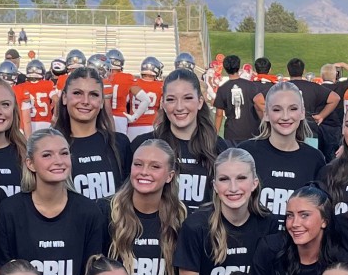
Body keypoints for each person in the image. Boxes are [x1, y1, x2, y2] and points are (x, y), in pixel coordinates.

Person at [0, 128, 108, 275]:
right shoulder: (9, 211)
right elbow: (1, 272)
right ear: (30, 163)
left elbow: (91, 274)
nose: (58, 160)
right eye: (47, 155)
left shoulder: (89, 212)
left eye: (64, 153)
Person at [174, 147, 274, 275]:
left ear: (254, 183)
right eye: (224, 179)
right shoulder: (196, 226)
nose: (233, 187)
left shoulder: (267, 224)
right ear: (214, 186)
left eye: (241, 178)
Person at [107, 136, 182, 275]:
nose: (144, 172)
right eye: (138, 164)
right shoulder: (107, 212)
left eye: (155, 167)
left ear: (170, 175)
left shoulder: (180, 218)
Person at [244, 80, 324, 220]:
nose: (285, 116)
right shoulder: (247, 153)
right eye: (277, 109)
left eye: (293, 109)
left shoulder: (314, 159)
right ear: (266, 114)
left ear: (302, 113)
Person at [140, 67, 220, 208]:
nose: (179, 107)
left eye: (187, 98)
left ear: (200, 102)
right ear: (163, 104)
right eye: (171, 100)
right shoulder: (143, 146)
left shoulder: (220, 148)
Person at [59, 68, 131, 201]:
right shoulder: (53, 147)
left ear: (102, 101)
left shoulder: (120, 143)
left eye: (93, 95)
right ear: (64, 98)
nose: (85, 101)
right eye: (77, 93)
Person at [213, 55, 263, 145]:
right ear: (239, 67)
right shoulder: (251, 86)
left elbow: (219, 114)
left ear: (225, 68)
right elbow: (260, 106)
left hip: (232, 133)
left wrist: (214, 134)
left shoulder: (222, 89)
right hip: (252, 132)